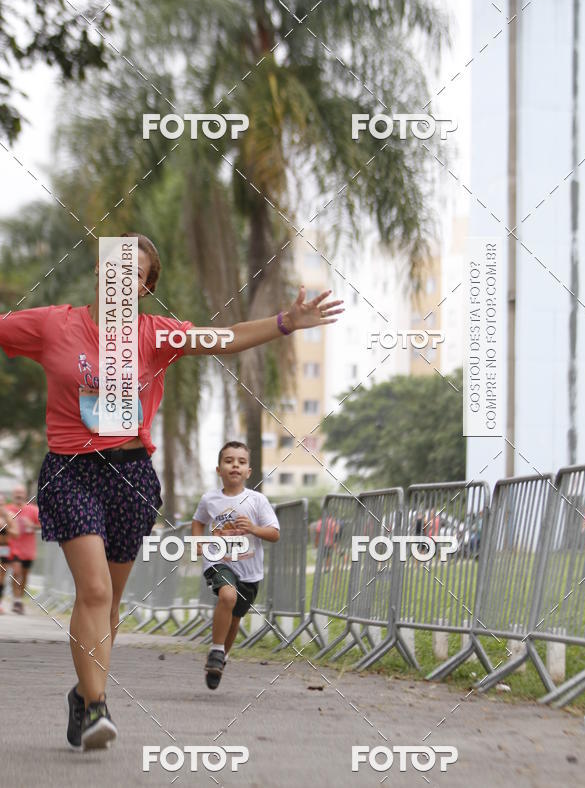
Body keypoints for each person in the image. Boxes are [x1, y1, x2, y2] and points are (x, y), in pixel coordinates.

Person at [0, 231, 343, 751]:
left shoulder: (156, 336)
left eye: (134, 276)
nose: (122, 281)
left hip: (131, 477)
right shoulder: (54, 324)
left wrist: (286, 323)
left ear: (145, 288)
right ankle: (97, 708)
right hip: (70, 471)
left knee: (109, 603)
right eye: (115, 269)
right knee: (94, 592)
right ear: (99, 272)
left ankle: (83, 693)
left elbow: (225, 337)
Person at [191, 440, 280, 690]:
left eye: (241, 462)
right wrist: (197, 541)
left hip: (250, 571)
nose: (235, 466)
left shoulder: (257, 500)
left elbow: (274, 533)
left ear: (248, 471)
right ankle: (216, 650)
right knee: (227, 596)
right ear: (219, 469)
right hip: (219, 561)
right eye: (229, 461)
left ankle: (220, 660)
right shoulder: (209, 499)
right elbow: (198, 521)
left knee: (235, 620)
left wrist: (253, 528)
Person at [4, 485, 40, 613]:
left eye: (21, 493)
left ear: (25, 495)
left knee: (24, 575)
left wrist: (32, 526)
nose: (19, 495)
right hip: (12, 547)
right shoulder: (7, 509)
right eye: (16, 492)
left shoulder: (33, 510)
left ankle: (19, 599)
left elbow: (42, 525)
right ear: (13, 495)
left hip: (28, 549)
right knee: (16, 572)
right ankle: (16, 601)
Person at [0, 491, 18, 613]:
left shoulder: (9, 516)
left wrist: (6, 527)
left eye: (1, 504)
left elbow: (16, 534)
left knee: (1, 576)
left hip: (3, 548)